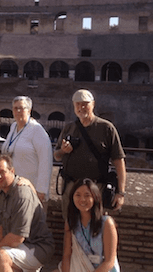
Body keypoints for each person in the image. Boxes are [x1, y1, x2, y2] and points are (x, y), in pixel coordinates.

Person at [54, 89, 126, 218]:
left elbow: (119, 161)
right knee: (69, 224)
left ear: (93, 104)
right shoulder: (69, 128)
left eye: (85, 104)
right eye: (78, 104)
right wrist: (63, 151)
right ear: (74, 106)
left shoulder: (106, 128)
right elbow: (57, 156)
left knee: (95, 225)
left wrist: (120, 193)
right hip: (71, 186)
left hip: (96, 187)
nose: (81, 107)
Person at [0, 154, 54, 272]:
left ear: (12, 171)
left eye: (2, 172)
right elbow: (2, 226)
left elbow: (17, 238)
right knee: (1, 256)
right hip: (20, 247)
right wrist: (0, 246)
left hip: (37, 246)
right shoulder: (1, 195)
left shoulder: (21, 194)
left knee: (1, 255)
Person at [56, 178, 120, 272]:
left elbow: (109, 261)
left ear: (95, 198)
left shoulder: (106, 223)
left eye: (87, 195)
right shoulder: (71, 222)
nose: (82, 199)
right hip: (80, 266)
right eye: (78, 195)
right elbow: (67, 255)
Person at [0, 96, 52, 207]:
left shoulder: (37, 130)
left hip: (30, 189)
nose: (18, 111)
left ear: (29, 110)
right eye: (15, 108)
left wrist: (41, 191)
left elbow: (46, 161)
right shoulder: (13, 127)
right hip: (11, 186)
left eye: (22, 108)